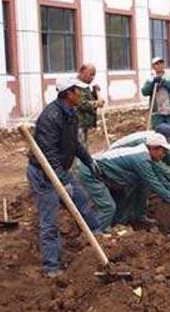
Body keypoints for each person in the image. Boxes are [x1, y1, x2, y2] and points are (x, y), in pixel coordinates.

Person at [26, 77, 104, 278]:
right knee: (50, 221)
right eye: (78, 90)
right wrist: (61, 182)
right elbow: (48, 155)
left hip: (59, 170)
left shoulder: (71, 113)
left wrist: (89, 161)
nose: (82, 94)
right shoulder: (50, 117)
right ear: (68, 94)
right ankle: (51, 267)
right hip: (44, 174)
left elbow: (74, 144)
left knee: (82, 200)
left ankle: (99, 236)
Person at [78, 133, 170, 230]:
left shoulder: (146, 155)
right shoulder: (141, 159)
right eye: (163, 151)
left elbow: (157, 175)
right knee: (108, 207)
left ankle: (118, 225)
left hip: (109, 174)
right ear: (154, 148)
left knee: (122, 200)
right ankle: (97, 232)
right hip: (91, 172)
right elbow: (154, 183)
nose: (163, 155)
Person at [109, 124, 170, 191]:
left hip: (130, 159)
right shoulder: (148, 143)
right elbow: (156, 164)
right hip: (116, 158)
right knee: (141, 181)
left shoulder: (158, 142)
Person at [141, 57, 170, 138]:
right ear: (153, 66)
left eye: (161, 63)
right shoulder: (150, 79)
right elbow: (144, 92)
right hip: (157, 112)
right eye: (157, 64)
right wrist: (153, 83)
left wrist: (163, 81)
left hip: (169, 110)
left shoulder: (169, 77)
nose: (159, 65)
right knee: (157, 134)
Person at [75, 64, 104, 148]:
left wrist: (95, 93)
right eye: (91, 74)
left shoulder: (84, 85)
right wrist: (96, 103)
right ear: (82, 72)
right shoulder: (75, 86)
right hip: (77, 123)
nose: (92, 77)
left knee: (83, 147)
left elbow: (88, 98)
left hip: (84, 123)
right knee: (80, 148)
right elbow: (81, 103)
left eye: (94, 75)